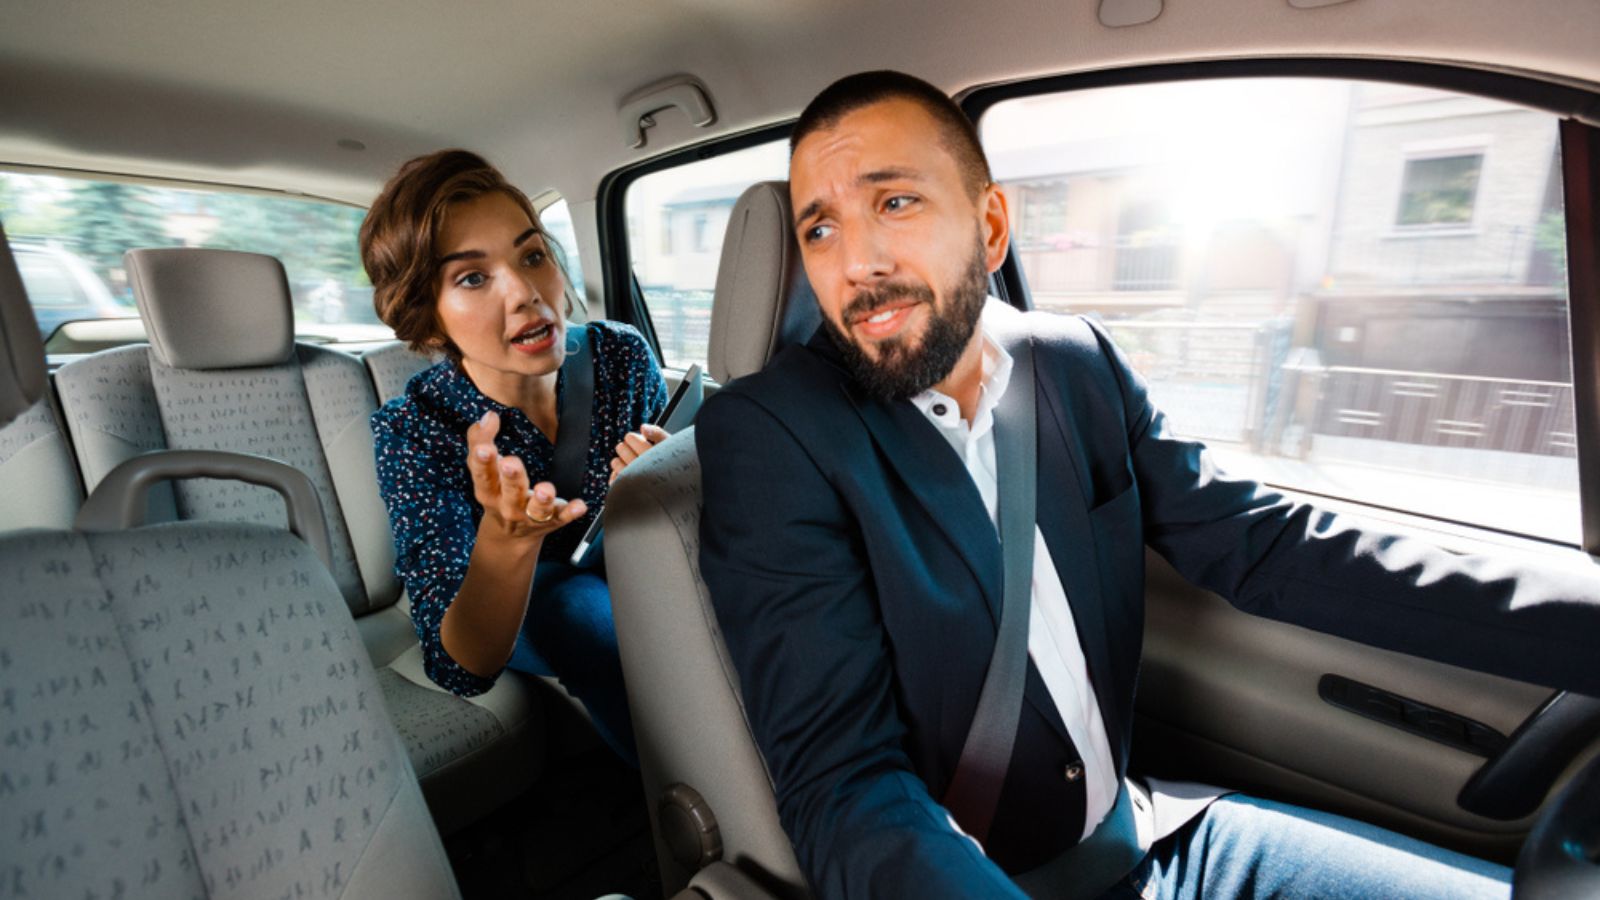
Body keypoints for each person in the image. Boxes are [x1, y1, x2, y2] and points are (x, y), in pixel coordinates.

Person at [694, 71, 1600, 899]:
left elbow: (1270, 545)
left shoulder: (1074, 362)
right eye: (820, 228)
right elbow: (845, 786)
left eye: (895, 202)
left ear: (992, 226)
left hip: (1158, 838)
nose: (856, 261)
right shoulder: (773, 437)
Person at [363, 149, 667, 764]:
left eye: (531, 256)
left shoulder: (622, 355)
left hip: (636, 565)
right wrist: (507, 541)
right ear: (428, 319)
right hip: (530, 604)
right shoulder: (414, 429)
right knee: (575, 608)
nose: (528, 293)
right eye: (472, 278)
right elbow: (458, 665)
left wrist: (668, 482)